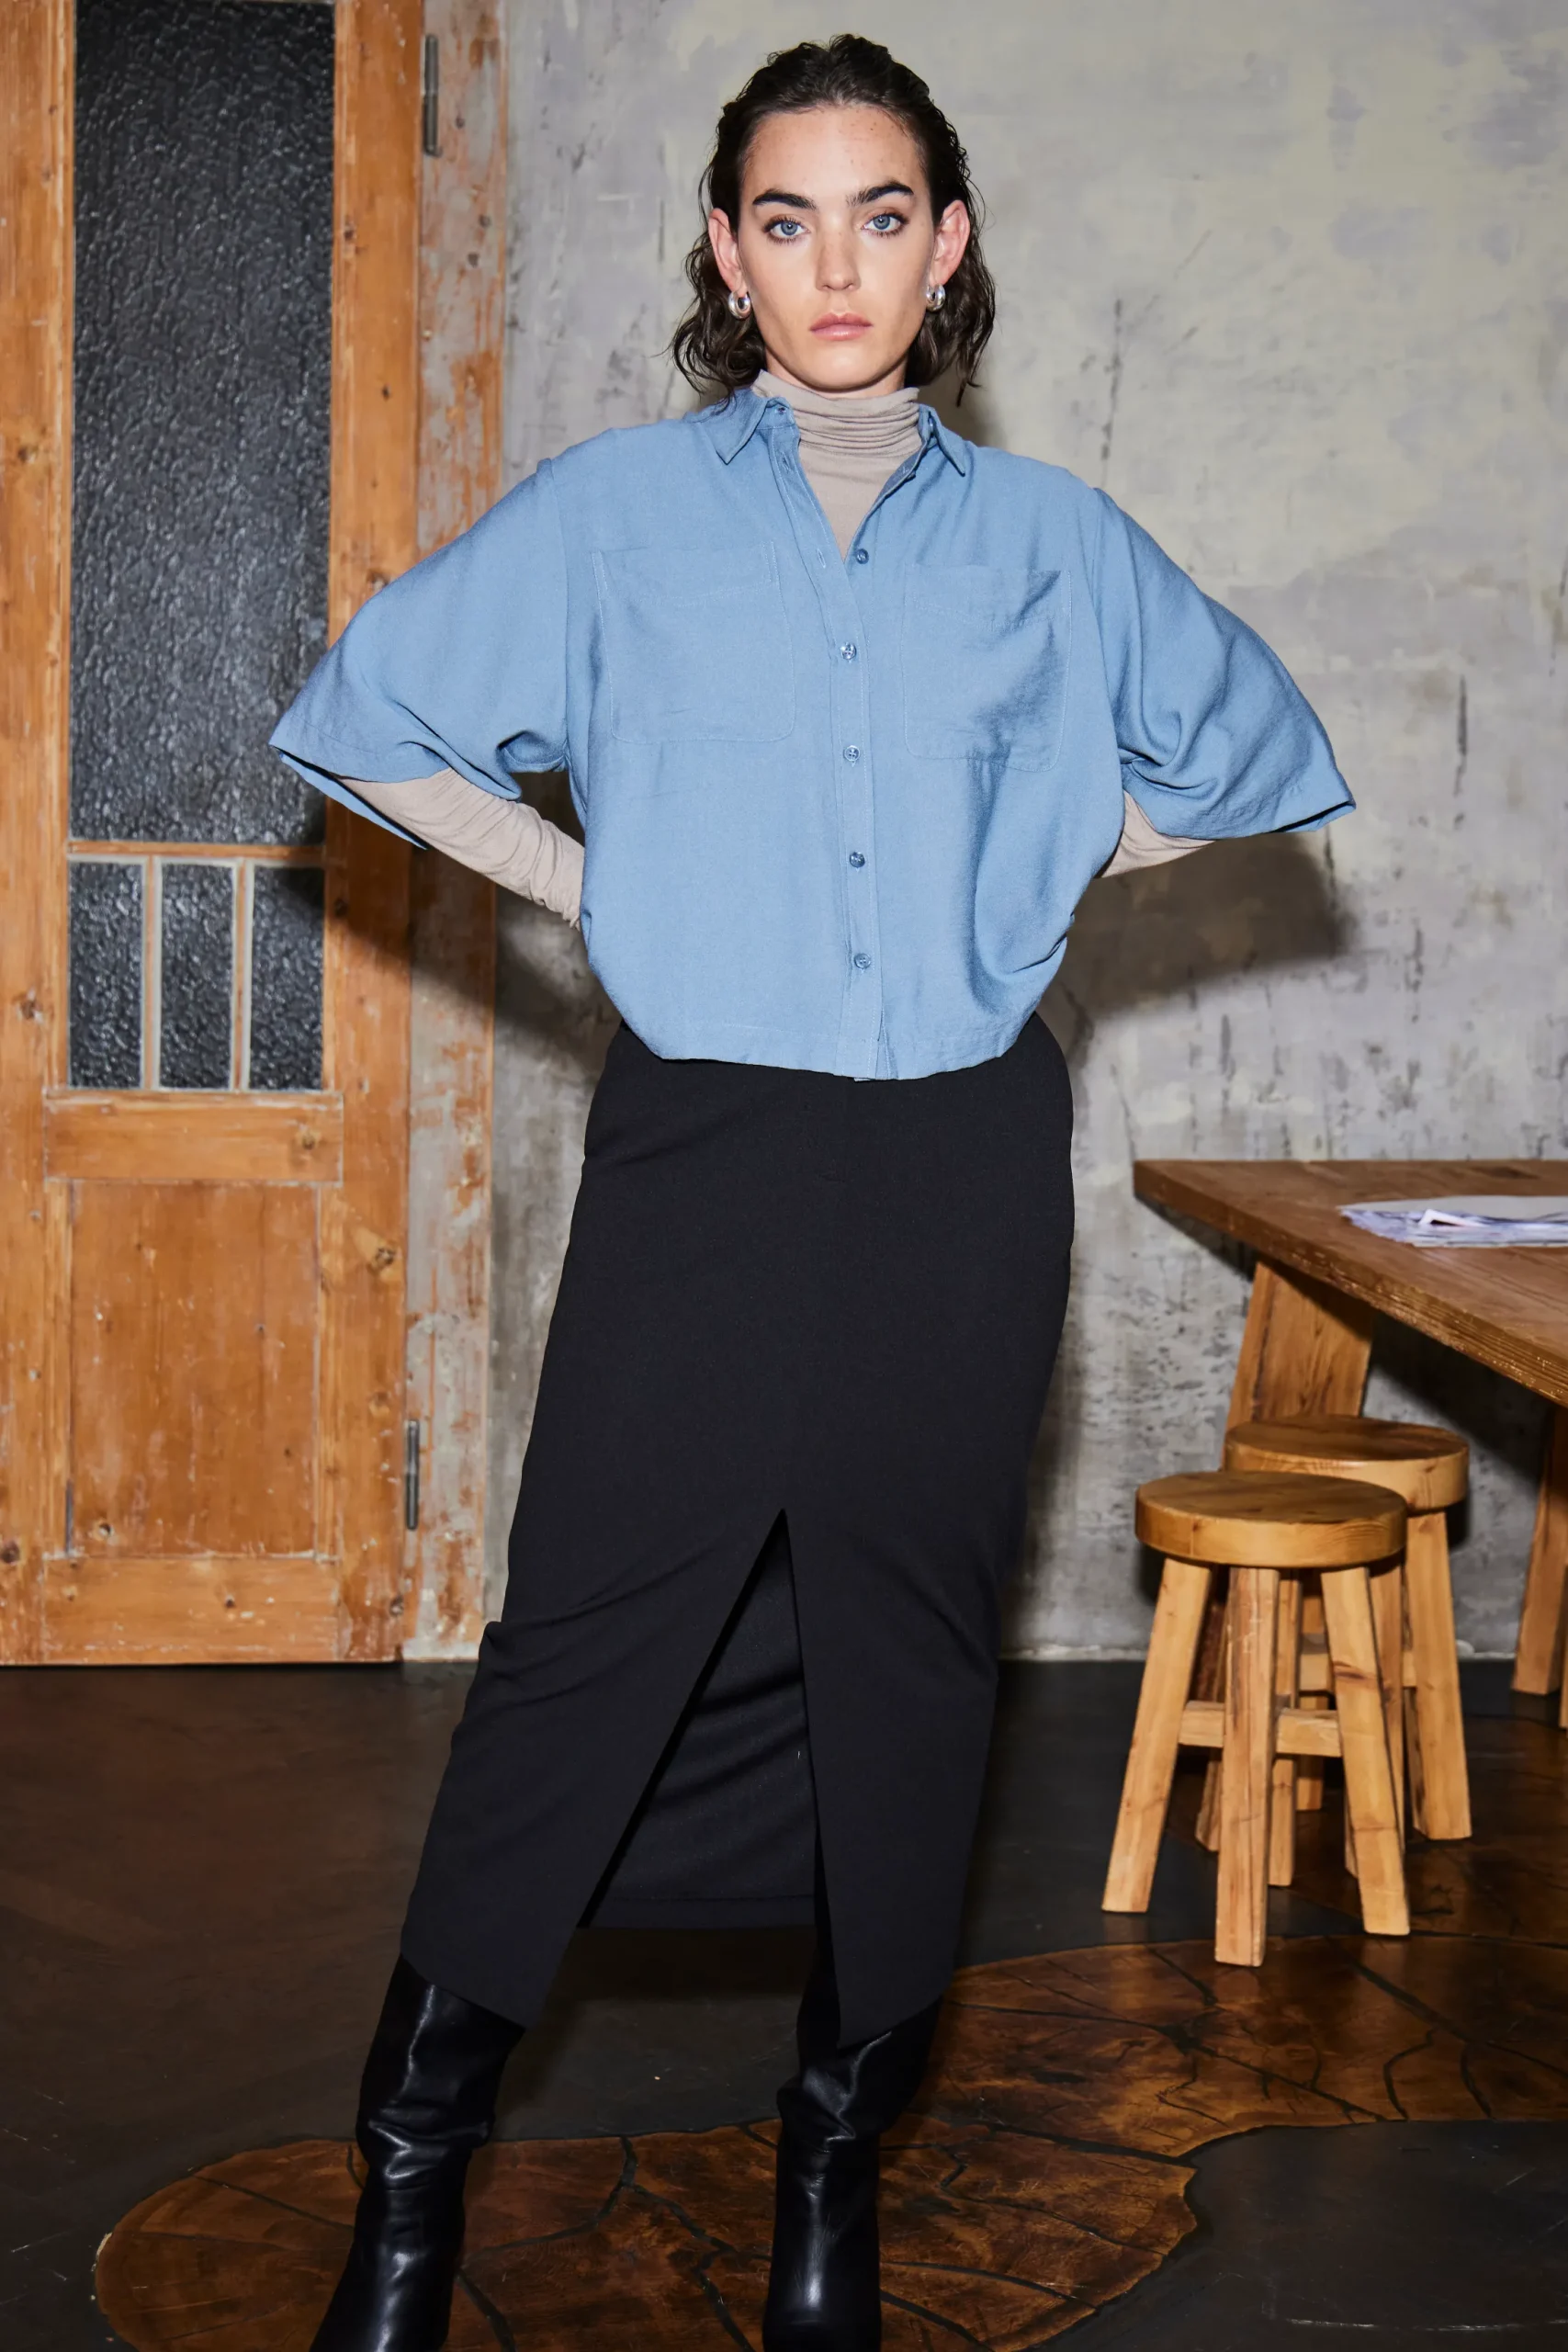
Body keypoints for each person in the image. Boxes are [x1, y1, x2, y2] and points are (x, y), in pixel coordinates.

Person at [270, 34, 1352, 2352]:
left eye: (880, 215)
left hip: (958, 1165)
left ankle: (829, 2185)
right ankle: (407, 2190)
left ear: (946, 247)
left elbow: (1251, 745)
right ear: (725, 252)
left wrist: (1041, 858)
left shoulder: (1054, 543)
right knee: (579, 1644)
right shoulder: (612, 514)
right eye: (787, 218)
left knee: (907, 1660)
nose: (835, 264)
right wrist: (595, 880)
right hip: (707, 1153)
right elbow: (368, 715)